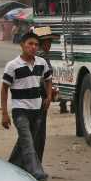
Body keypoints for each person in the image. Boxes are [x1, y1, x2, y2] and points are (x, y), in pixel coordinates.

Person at [1, 32, 53, 181]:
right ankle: (37, 174)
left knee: (25, 142)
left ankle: (11, 169)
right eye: (30, 44)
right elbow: (4, 89)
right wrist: (4, 113)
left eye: (36, 45)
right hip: (20, 111)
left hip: (36, 111)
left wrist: (49, 96)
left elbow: (48, 79)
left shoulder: (41, 62)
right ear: (22, 45)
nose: (33, 47)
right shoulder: (13, 66)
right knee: (28, 142)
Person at [33, 27, 60, 161]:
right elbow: (44, 78)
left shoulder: (35, 55)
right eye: (47, 42)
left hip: (35, 96)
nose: (49, 45)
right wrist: (50, 93)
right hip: (40, 96)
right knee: (39, 133)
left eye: (50, 42)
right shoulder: (42, 56)